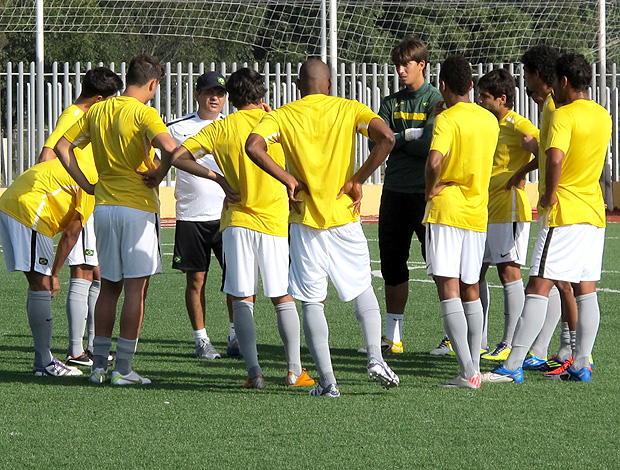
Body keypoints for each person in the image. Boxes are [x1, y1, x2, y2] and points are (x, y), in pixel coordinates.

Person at [246, 59, 399, 397]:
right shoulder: (348, 108)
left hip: (305, 220)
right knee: (362, 287)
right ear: (329, 83)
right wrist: (359, 179)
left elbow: (253, 146)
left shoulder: (283, 115)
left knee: (312, 302)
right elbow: (387, 137)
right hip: (344, 215)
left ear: (299, 85)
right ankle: (375, 356)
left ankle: (328, 382)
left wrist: (286, 177)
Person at [167, 68, 314, 389]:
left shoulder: (222, 128)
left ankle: (255, 373)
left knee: (243, 296)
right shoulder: (277, 122)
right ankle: (294, 371)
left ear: (231, 98)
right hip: (274, 222)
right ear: (262, 96)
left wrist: (217, 178)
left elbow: (178, 157)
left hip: (235, 222)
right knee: (281, 295)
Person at [55, 54, 183, 385]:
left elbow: (61, 146)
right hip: (137, 207)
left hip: (105, 207)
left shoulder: (96, 111)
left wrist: (85, 184)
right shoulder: (145, 113)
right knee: (136, 290)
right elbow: (171, 148)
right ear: (153, 83)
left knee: (109, 286)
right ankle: (123, 369)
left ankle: (98, 367)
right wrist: (158, 172)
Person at [482, 53, 611, 383]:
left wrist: (549, 194)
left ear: (564, 82)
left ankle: (513, 364)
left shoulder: (563, 115)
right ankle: (582, 362)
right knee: (586, 290)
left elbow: (554, 157)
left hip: (565, 211)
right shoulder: (603, 115)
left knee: (538, 284)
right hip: (593, 212)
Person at [37, 67, 123, 367]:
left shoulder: (87, 116)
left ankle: (90, 346)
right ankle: (76, 350)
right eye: (110, 99)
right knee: (84, 271)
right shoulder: (74, 115)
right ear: (98, 98)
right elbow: (48, 153)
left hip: (91, 200)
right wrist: (62, 189)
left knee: (99, 273)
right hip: (79, 200)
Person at [423, 55, 499, 389]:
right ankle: (475, 366)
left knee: (448, 287)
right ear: (471, 85)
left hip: (448, 208)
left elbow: (435, 160)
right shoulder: (489, 120)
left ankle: (467, 370)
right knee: (471, 288)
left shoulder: (446, 120)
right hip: (477, 212)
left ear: (442, 86)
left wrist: (430, 188)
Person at [512, 45, 578, 376]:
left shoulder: (555, 109)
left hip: (562, 205)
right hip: (576, 204)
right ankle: (554, 351)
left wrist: (548, 194)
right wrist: (524, 170)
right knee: (559, 281)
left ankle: (564, 351)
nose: (525, 80)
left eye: (527, 73)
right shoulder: (556, 106)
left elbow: (556, 155)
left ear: (538, 74)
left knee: (552, 281)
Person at [374, 37, 443, 355]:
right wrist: (406, 137)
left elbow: (430, 144)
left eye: (406, 64)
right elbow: (381, 141)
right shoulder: (390, 102)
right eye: (397, 65)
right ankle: (393, 336)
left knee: (441, 266)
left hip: (426, 193)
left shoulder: (436, 99)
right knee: (392, 264)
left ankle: (450, 336)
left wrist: (400, 138)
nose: (401, 70)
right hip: (394, 191)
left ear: (421, 65)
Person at [0, 158, 98, 377]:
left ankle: (42, 360)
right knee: (43, 285)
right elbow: (71, 234)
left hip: (14, 203)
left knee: (37, 285)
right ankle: (44, 363)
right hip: (29, 210)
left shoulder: (87, 163)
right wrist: (55, 274)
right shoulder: (95, 180)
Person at [166, 71, 238, 360]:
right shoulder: (177, 127)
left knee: (237, 280)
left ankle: (236, 337)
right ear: (197, 94)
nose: (215, 98)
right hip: (191, 216)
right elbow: (162, 161)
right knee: (196, 280)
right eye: (209, 92)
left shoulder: (234, 125)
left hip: (229, 215)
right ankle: (201, 340)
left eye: (220, 94)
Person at [475, 68, 539, 362]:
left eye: (485, 97)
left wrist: (522, 172)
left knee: (508, 272)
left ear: (502, 99)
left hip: (508, 206)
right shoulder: (487, 123)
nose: (480, 100)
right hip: (486, 206)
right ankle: (480, 340)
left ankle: (511, 343)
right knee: (475, 273)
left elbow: (544, 149)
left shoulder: (517, 123)